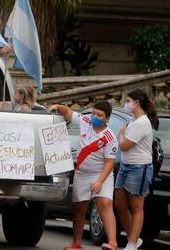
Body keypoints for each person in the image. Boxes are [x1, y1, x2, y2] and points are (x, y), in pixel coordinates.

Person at [48, 102, 119, 250]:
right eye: (93, 113)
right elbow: (68, 112)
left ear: (107, 118)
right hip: (82, 173)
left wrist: (100, 181)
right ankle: (76, 243)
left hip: (101, 174)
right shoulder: (85, 121)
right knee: (80, 208)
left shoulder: (110, 137)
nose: (94, 117)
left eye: (99, 115)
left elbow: (109, 163)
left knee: (105, 204)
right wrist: (57, 107)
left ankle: (112, 242)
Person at [115, 89, 159, 250]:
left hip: (139, 168)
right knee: (119, 204)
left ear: (136, 103)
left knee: (136, 206)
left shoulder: (142, 122)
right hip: (125, 166)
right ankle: (133, 238)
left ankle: (132, 243)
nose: (125, 104)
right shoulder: (133, 120)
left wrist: (121, 133)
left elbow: (125, 145)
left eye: (127, 101)